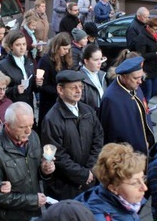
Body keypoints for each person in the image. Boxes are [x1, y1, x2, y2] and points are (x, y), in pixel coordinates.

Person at [0, 102, 55, 221]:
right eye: (22, 127)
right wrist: (32, 200)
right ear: (7, 126)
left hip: (33, 216)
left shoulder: (33, 137)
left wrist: (44, 171)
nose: (28, 131)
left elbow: (33, 172)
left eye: (30, 125)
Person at [41, 70, 104, 200]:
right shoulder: (52, 119)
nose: (78, 90)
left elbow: (98, 139)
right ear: (60, 89)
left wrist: (90, 170)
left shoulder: (88, 111)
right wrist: (83, 174)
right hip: (65, 187)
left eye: (80, 86)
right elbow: (58, 155)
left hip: (89, 179)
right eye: (73, 87)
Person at [100, 56, 155, 155]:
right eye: (136, 78)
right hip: (126, 157)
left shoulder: (134, 86)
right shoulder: (111, 99)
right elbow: (110, 135)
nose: (140, 81)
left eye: (141, 77)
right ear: (124, 77)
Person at [36, 32, 72, 125]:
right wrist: (58, 92)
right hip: (49, 102)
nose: (66, 52)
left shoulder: (65, 59)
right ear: (57, 46)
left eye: (68, 49)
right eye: (64, 49)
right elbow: (43, 85)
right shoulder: (45, 61)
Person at [0, 30, 36, 109]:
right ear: (11, 46)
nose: (22, 48)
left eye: (24, 44)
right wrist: (15, 90)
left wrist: (38, 83)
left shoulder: (29, 62)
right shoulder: (2, 65)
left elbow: (32, 87)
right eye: (18, 45)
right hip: (12, 107)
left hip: (28, 105)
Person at [134, 17, 157, 102]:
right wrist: (155, 54)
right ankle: (144, 110)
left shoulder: (155, 36)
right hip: (146, 70)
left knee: (155, 90)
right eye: (155, 29)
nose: (156, 31)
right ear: (148, 27)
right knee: (146, 94)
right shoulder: (142, 38)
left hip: (155, 69)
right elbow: (140, 55)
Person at [80, 43, 108, 112]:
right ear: (86, 61)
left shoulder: (102, 75)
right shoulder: (79, 79)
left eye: (101, 59)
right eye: (96, 60)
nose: (100, 63)